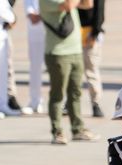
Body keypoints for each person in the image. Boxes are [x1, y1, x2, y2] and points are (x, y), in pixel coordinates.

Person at [40, 0, 98, 144]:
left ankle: (77, 129)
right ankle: (57, 131)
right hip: (58, 53)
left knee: (75, 93)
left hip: (76, 51)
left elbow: (88, 4)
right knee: (57, 95)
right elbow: (67, 5)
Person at [79, 0, 104, 117]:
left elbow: (99, 11)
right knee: (72, 71)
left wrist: (95, 32)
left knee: (91, 70)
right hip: (72, 32)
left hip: (89, 32)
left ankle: (96, 103)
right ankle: (69, 103)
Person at [23, 0, 46, 114]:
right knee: (35, 68)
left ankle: (63, 103)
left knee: (59, 68)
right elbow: (33, 17)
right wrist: (49, 13)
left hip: (56, 34)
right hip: (36, 34)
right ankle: (35, 102)